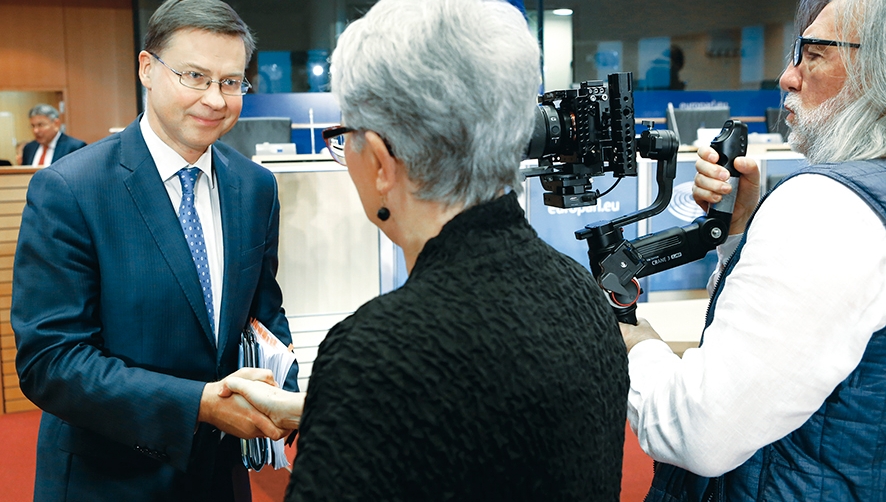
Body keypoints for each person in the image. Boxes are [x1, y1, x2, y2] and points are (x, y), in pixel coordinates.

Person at [221, 0, 629, 500]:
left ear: (378, 161)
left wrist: (349, 396)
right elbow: (491, 423)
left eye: (345, 136)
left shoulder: (376, 352)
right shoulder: (582, 296)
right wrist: (327, 405)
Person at [12, 1, 298, 501]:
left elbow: (264, 314)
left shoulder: (255, 187)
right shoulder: (70, 189)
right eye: (195, 76)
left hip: (220, 476)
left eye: (231, 82)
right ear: (147, 68)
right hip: (109, 478)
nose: (215, 99)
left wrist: (283, 386)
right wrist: (199, 405)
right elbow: (51, 362)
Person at [620, 0, 886, 500]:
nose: (787, 77)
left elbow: (697, 431)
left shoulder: (829, 207)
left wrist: (637, 345)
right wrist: (740, 233)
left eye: (813, 53)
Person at [21, 103, 86, 166]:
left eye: (40, 125)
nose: (35, 130)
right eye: (33, 126)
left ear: (56, 124)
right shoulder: (29, 148)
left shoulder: (75, 147)